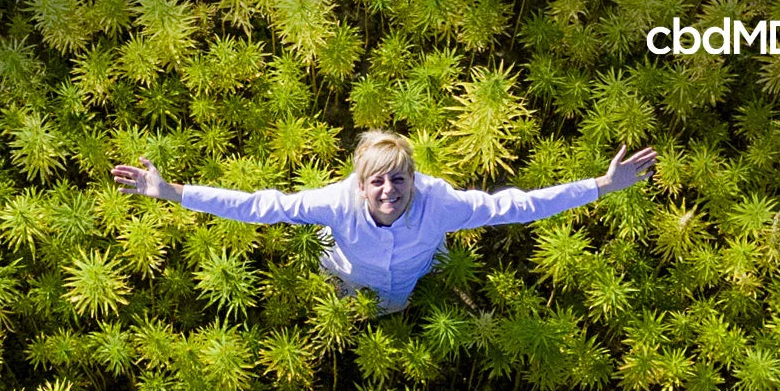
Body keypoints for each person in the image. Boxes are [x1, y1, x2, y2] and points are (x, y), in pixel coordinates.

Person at [111, 131, 656, 313]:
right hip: (347, 279)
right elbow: (259, 204)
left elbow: (517, 204)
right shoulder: (335, 202)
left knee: (401, 301)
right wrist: (170, 192)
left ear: (412, 179)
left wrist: (603, 186)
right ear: (360, 181)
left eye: (398, 179)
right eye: (377, 180)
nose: (388, 191)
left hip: (411, 278)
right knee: (353, 312)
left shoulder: (440, 202)